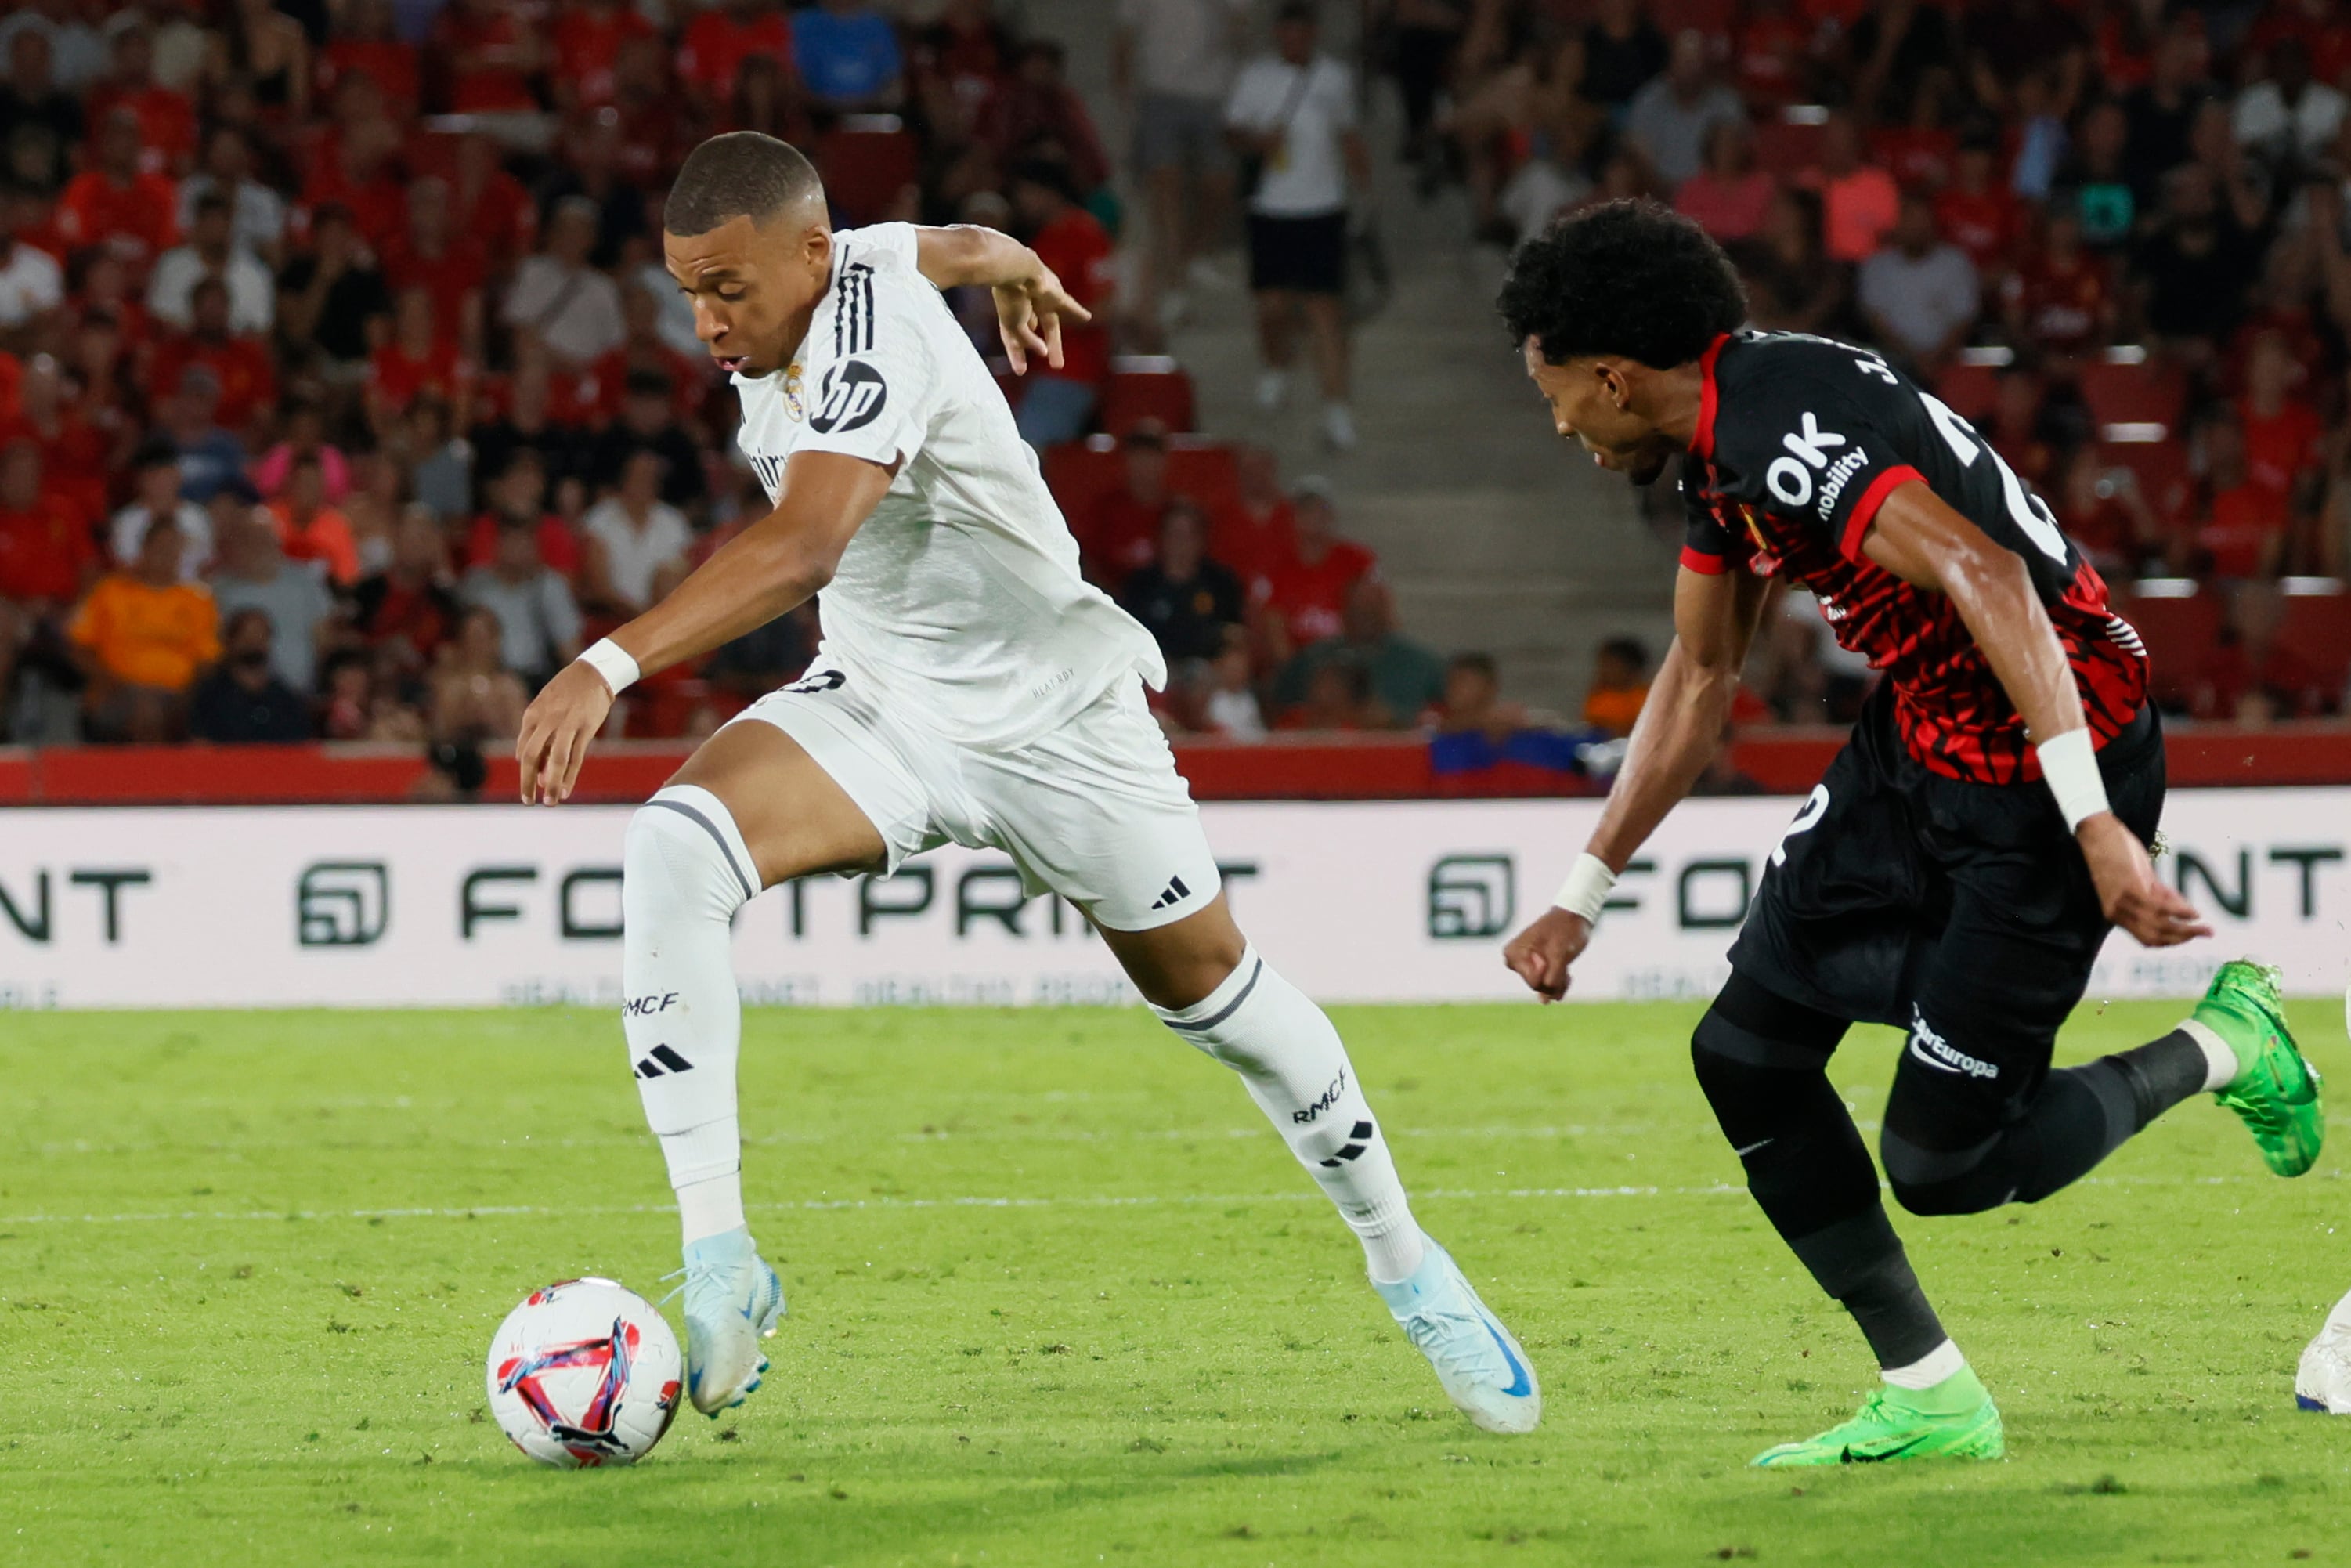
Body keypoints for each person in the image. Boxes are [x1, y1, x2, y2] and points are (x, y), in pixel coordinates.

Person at [512, 131, 1540, 1435]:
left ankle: (1407, 1262)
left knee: (1220, 999)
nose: (708, 322)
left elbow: (807, 544)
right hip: (888, 703)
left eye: (729, 288)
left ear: (809, 260)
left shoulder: (869, 333)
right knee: (673, 848)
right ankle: (722, 1261)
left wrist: (608, 661)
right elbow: (947, 242)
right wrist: (1016, 267)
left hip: (1061, 720)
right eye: (687, 294)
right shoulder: (856, 261)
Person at [1494, 201, 2319, 1468]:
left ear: (1610, 376)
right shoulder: (1727, 442)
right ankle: (1928, 1393)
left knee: (1942, 1166)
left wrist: (2093, 823)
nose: (1556, 424)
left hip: (2051, 769)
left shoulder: (1774, 426)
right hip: (1920, 742)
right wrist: (1583, 887)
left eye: (1554, 393)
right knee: (1745, 1054)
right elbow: (1702, 674)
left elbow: (1987, 575)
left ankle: (2225, 1040)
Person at [1225, 2, 1371, 452]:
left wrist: (1363, 192)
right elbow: (1232, 133)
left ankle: (1336, 408)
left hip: (1322, 207)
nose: (1295, 41)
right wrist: (1259, 141)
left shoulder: (1334, 78)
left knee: (1324, 310)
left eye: (1302, 32)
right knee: (1272, 307)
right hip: (1271, 207)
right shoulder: (1256, 78)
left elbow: (1347, 134)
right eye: (1288, 33)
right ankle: (1276, 366)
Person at [70, 514, 219, 741]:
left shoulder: (199, 599)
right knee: (144, 708)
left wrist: (186, 695)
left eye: (173, 548)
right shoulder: (110, 591)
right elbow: (78, 647)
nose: (166, 554)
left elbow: (208, 660)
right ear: (144, 548)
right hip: (117, 690)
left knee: (156, 710)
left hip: (177, 696)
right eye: (160, 546)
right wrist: (110, 681)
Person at [1116, 498, 1245, 665]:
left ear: (1201, 540)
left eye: (1188, 535)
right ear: (1161, 538)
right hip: (1156, 672)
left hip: (1210, 674)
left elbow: (1236, 636)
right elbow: (1127, 639)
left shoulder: (1222, 583)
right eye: (1174, 534)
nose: (1181, 543)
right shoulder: (1140, 585)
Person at [189, 605, 312, 742]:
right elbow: (199, 744)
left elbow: (299, 744)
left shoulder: (285, 699)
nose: (254, 642)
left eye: (261, 636)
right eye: (247, 635)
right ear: (230, 640)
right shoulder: (210, 695)